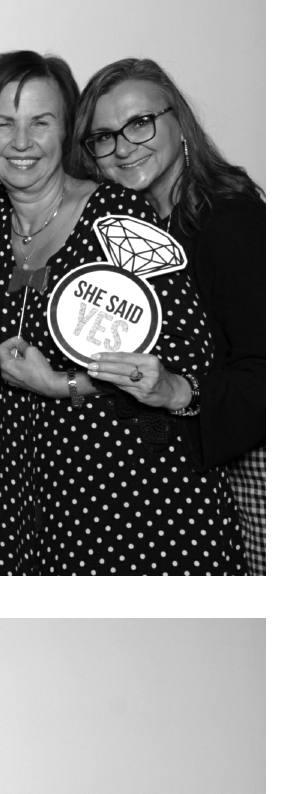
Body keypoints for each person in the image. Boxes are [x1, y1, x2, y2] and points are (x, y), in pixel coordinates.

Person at [0, 49, 241, 574]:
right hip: (33, 496)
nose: (22, 141)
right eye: (4, 123)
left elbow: (185, 353)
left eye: (41, 122)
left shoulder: (118, 214)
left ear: (66, 132)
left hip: (136, 492)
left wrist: (62, 384)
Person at [72, 59, 266, 572]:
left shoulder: (232, 223)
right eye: (104, 136)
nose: (124, 147)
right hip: (188, 477)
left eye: (140, 123)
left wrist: (181, 391)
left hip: (257, 474)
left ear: (179, 121)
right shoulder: (135, 234)